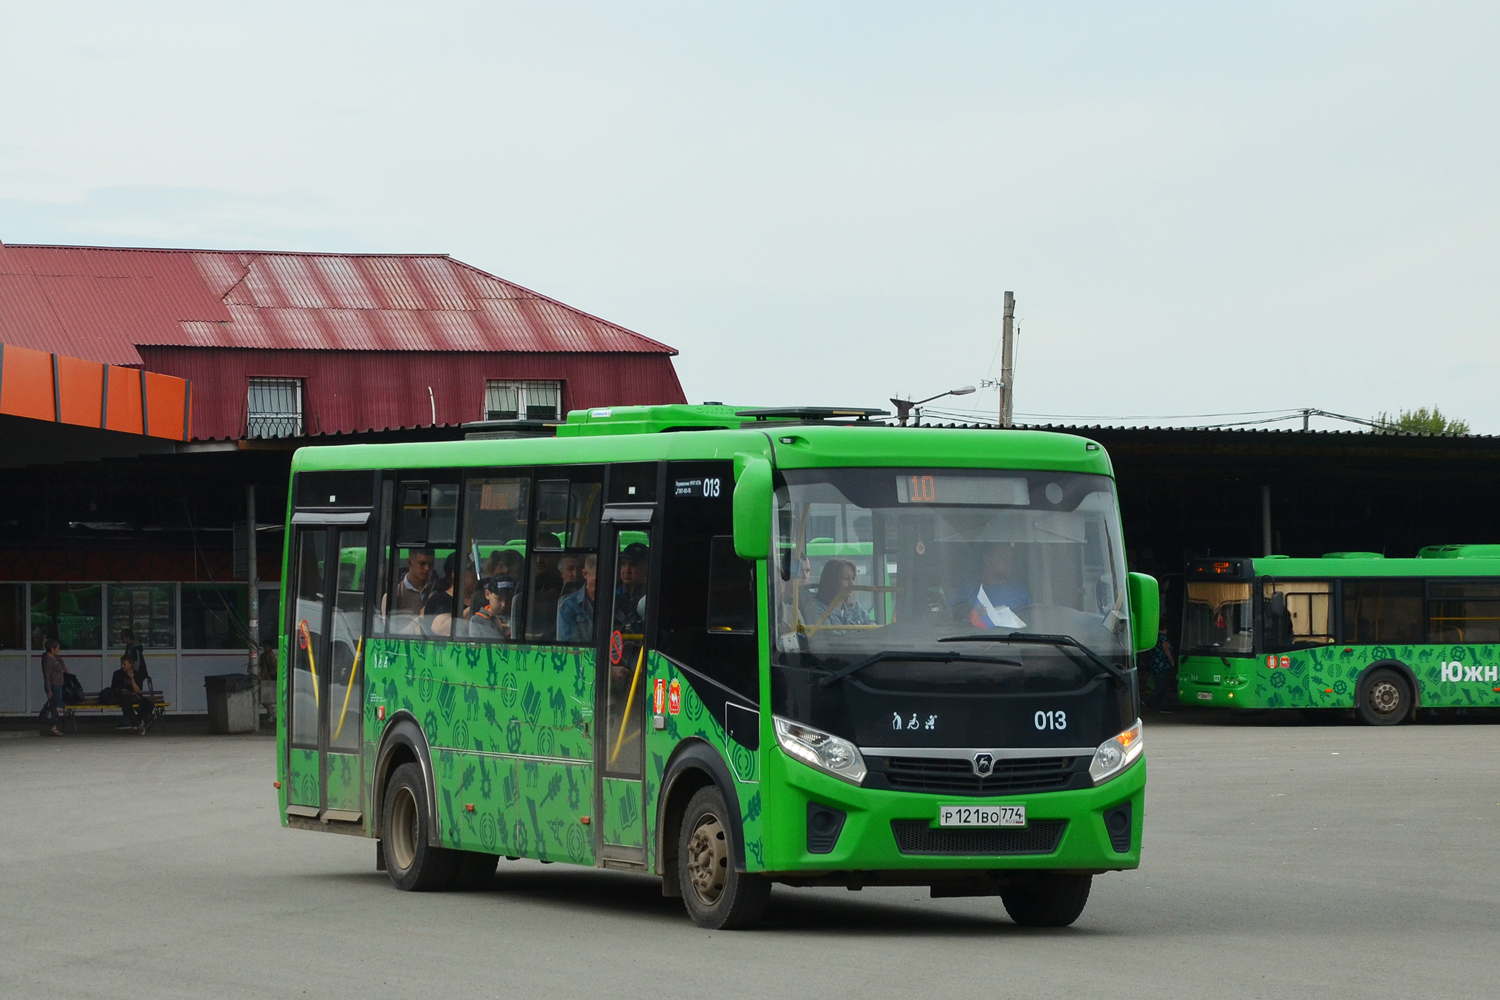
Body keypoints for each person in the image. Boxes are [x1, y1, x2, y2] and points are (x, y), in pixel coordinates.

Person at [952, 544, 1032, 628]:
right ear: (988, 560)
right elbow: (949, 618)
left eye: (1011, 559)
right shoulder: (964, 591)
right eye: (1004, 558)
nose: (1010, 563)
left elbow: (1029, 623)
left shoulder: (1021, 593)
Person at [806, 558, 874, 626]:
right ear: (831, 581)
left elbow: (874, 628)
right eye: (846, 578)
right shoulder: (816, 608)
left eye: (853, 578)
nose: (852, 584)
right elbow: (829, 635)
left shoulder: (856, 608)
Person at [109, 652, 154, 735]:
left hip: (134, 695)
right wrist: (120, 691)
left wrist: (132, 679)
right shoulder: (117, 674)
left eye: (124, 664)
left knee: (150, 705)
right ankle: (138, 724)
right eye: (122, 664)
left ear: (130, 665)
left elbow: (137, 690)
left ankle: (136, 720)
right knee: (126, 705)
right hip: (123, 696)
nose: (122, 666)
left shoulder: (137, 674)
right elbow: (113, 688)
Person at [556, 554, 597, 643]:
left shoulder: (621, 603)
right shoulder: (567, 605)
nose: (576, 573)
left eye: (578, 568)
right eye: (570, 569)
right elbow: (572, 646)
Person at [392, 548, 437, 614]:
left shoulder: (438, 590)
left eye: (430, 564)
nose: (427, 568)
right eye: (422, 563)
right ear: (409, 562)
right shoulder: (396, 594)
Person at [1147, 625, 1177, 712]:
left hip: (1155, 664)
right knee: (1161, 686)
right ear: (1164, 629)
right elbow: (1166, 649)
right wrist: (1172, 660)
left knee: (1162, 686)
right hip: (1162, 665)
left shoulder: (1153, 637)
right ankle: (1147, 700)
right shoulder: (1163, 637)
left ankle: (1162, 706)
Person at [40, 638, 66, 736]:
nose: (58, 650)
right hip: (54, 685)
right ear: (52, 649)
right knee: (56, 706)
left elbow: (62, 664)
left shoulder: (54, 657)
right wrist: (48, 689)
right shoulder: (48, 659)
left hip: (58, 684)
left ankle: (55, 725)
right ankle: (53, 726)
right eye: (57, 648)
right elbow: (46, 675)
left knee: (58, 705)